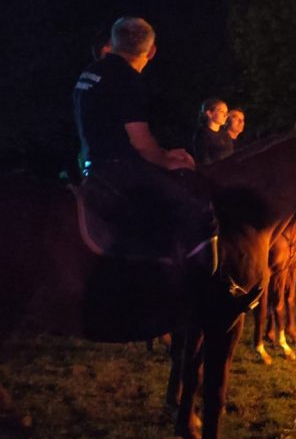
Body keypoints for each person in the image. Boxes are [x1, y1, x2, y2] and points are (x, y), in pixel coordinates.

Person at [73, 16, 259, 317]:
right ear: (151, 51)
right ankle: (210, 295)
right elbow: (140, 143)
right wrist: (167, 159)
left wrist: (164, 154)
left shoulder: (92, 72)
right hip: (122, 171)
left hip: (92, 167)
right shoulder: (127, 79)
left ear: (114, 40)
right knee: (198, 208)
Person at [192, 98, 232, 165]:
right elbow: (204, 160)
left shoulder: (225, 135)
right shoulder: (202, 134)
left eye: (226, 112)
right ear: (209, 113)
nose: (225, 115)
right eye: (222, 112)